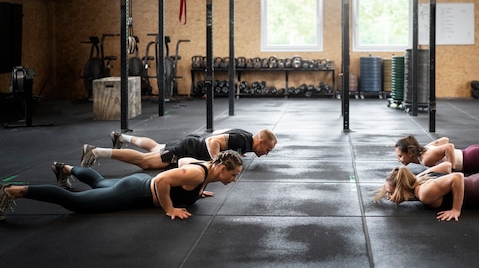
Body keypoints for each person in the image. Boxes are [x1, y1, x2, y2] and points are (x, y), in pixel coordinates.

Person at [0, 150, 243, 221]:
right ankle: (12, 191)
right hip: (135, 191)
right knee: (75, 202)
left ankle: (65, 168)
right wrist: (169, 208)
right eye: (234, 175)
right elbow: (161, 180)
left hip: (136, 183)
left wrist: (197, 192)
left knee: (99, 182)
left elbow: (181, 162)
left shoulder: (204, 170)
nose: (234, 180)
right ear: (223, 168)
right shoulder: (196, 174)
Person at [79, 128, 277, 171]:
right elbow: (213, 140)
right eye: (267, 150)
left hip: (190, 145)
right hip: (188, 150)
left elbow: (218, 133)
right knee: (146, 161)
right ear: (259, 142)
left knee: (156, 147)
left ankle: (122, 138)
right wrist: (217, 162)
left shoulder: (245, 140)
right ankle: (95, 151)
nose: (266, 154)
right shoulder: (243, 140)